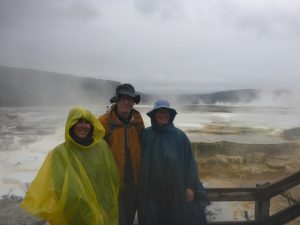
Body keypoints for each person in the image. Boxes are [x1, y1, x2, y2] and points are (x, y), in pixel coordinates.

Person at [21, 107, 119, 225]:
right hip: (75, 214)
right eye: (79, 122)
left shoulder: (101, 147)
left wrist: (108, 205)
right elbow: (54, 187)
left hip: (103, 212)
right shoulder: (59, 153)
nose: (83, 126)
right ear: (71, 125)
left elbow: (111, 178)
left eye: (87, 122)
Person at [138, 100, 210, 225]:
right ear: (154, 115)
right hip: (153, 189)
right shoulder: (146, 135)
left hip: (176, 188)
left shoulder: (180, 136)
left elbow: (190, 162)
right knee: (154, 217)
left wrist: (190, 186)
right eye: (159, 112)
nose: (163, 115)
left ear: (170, 115)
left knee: (176, 216)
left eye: (166, 112)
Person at [99, 83, 144, 225]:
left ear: (133, 102)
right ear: (117, 100)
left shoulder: (137, 121)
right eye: (122, 98)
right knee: (112, 219)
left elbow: (144, 144)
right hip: (111, 184)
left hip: (133, 183)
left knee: (128, 218)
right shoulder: (103, 122)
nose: (126, 102)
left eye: (129, 99)